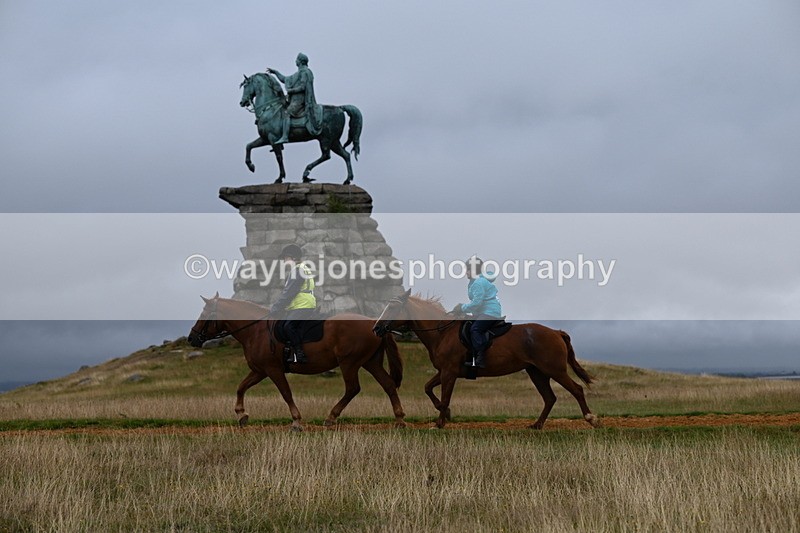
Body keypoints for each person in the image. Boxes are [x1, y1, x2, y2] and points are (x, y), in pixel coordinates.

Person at [451, 256, 502, 368]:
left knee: (475, 329)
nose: (466, 272)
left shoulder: (478, 283)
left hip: (490, 312)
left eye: (468, 269)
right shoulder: (474, 282)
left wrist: (462, 307)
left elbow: (477, 303)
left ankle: (480, 359)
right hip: (484, 311)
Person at [270, 244, 316, 363]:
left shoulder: (297, 270)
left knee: (289, 326)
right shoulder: (302, 268)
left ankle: (299, 354)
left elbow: (289, 292)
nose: (284, 261)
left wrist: (275, 308)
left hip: (302, 304)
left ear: (294, 258)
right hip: (303, 303)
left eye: (286, 258)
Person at [266, 53, 323, 144]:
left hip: (300, 101)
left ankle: (285, 136)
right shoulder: (298, 73)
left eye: (297, 59)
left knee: (286, 113)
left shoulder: (305, 72)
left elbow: (303, 87)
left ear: (300, 61)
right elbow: (285, 79)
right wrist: (275, 72)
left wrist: (291, 91)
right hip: (294, 100)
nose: (295, 61)